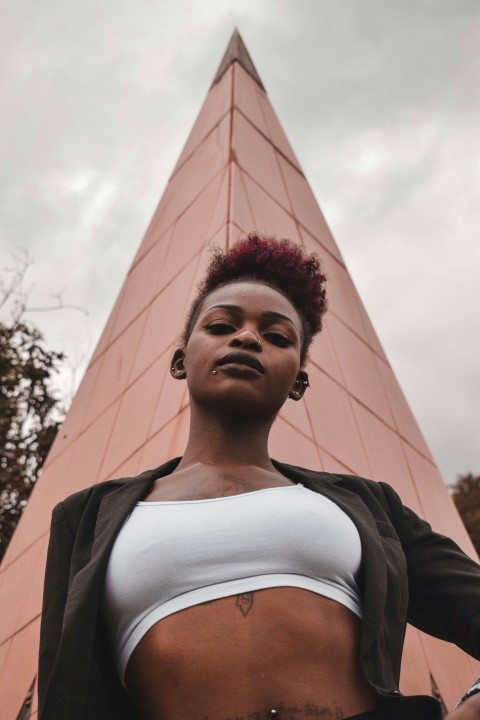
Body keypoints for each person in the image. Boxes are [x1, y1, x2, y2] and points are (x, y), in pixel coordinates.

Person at [38, 234, 480, 720]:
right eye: (223, 324)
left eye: (277, 336)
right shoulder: (86, 519)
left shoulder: (367, 507)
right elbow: (67, 695)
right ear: (181, 359)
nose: (247, 338)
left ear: (298, 382)